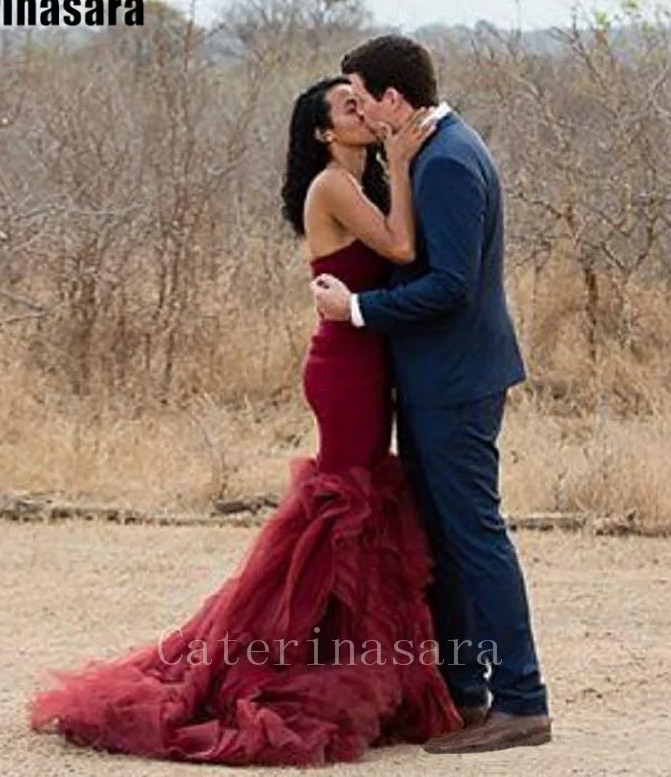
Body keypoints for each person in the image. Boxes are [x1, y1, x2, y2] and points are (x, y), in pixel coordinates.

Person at [28, 75, 463, 766]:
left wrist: (397, 172)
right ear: (325, 133)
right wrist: (405, 166)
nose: (362, 113)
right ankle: (277, 662)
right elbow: (402, 249)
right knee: (343, 504)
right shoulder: (332, 185)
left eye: (361, 103)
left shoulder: (359, 179)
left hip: (369, 358)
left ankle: (338, 660)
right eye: (348, 109)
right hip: (345, 366)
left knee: (358, 503)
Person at [313, 35, 552, 754]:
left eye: (362, 95)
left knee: (474, 536)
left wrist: (355, 311)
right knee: (446, 538)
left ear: (393, 99)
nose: (358, 107)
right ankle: (465, 693)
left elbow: (450, 286)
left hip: (454, 381)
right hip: (439, 377)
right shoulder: (433, 152)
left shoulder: (447, 161)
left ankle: (522, 699)